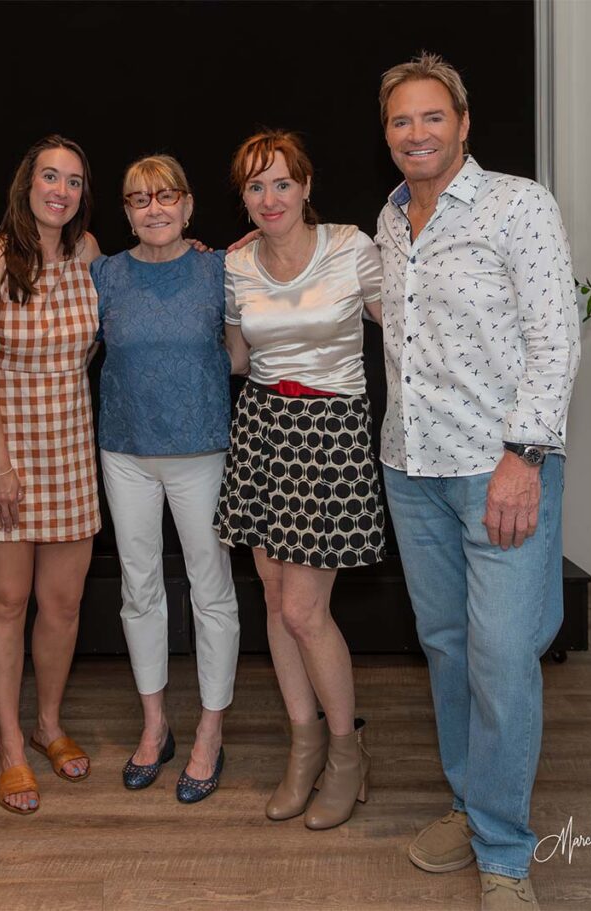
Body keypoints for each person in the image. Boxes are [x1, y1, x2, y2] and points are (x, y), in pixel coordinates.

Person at [375, 53, 580, 911]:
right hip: (411, 467)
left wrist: (524, 456)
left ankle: (503, 852)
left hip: (499, 468)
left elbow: (556, 335)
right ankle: (470, 801)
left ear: (462, 123)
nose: (415, 133)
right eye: (398, 121)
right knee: (451, 648)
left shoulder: (519, 204)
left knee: (502, 657)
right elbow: (397, 315)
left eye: (431, 117)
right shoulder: (389, 218)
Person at [217, 130, 385, 830]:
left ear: (307, 186)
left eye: (281, 182)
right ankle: (304, 745)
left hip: (331, 433)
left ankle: (347, 752)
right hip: (262, 429)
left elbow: (407, 328)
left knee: (303, 611)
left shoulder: (352, 246)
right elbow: (233, 358)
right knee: (275, 597)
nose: (269, 197)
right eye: (255, 186)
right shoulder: (234, 265)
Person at [0, 136, 101, 814]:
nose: (60, 190)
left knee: (63, 605)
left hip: (70, 443)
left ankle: (48, 724)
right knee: (8, 602)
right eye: (50, 175)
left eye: (72, 180)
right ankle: (11, 742)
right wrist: (0, 465)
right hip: (6, 446)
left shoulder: (87, 252)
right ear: (28, 181)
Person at [92, 154, 239, 803]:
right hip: (124, 450)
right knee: (139, 587)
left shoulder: (218, 269)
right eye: (139, 199)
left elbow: (240, 353)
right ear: (125, 211)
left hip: (202, 450)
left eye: (165, 196)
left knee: (211, 591)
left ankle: (211, 729)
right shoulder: (105, 274)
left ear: (187, 206)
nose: (153, 209)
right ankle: (156, 725)